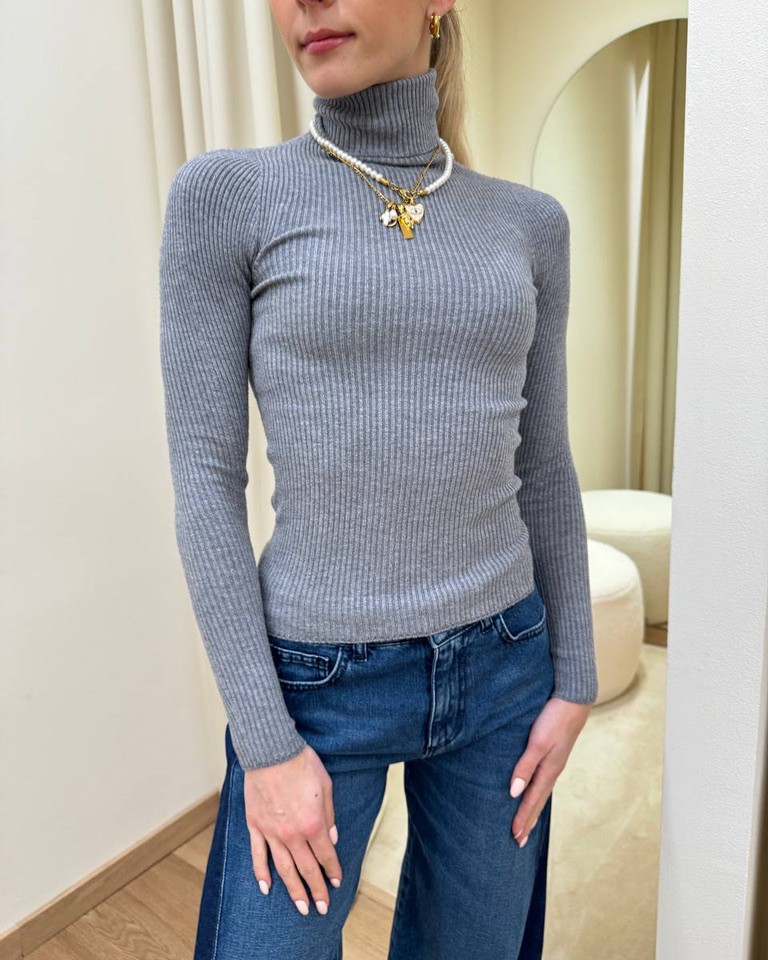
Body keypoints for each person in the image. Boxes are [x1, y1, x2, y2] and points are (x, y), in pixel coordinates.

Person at [159, 0, 598, 957]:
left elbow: (543, 464)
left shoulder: (532, 225)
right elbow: (204, 479)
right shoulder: (228, 196)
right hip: (317, 688)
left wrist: (574, 678)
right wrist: (265, 743)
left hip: (506, 668)